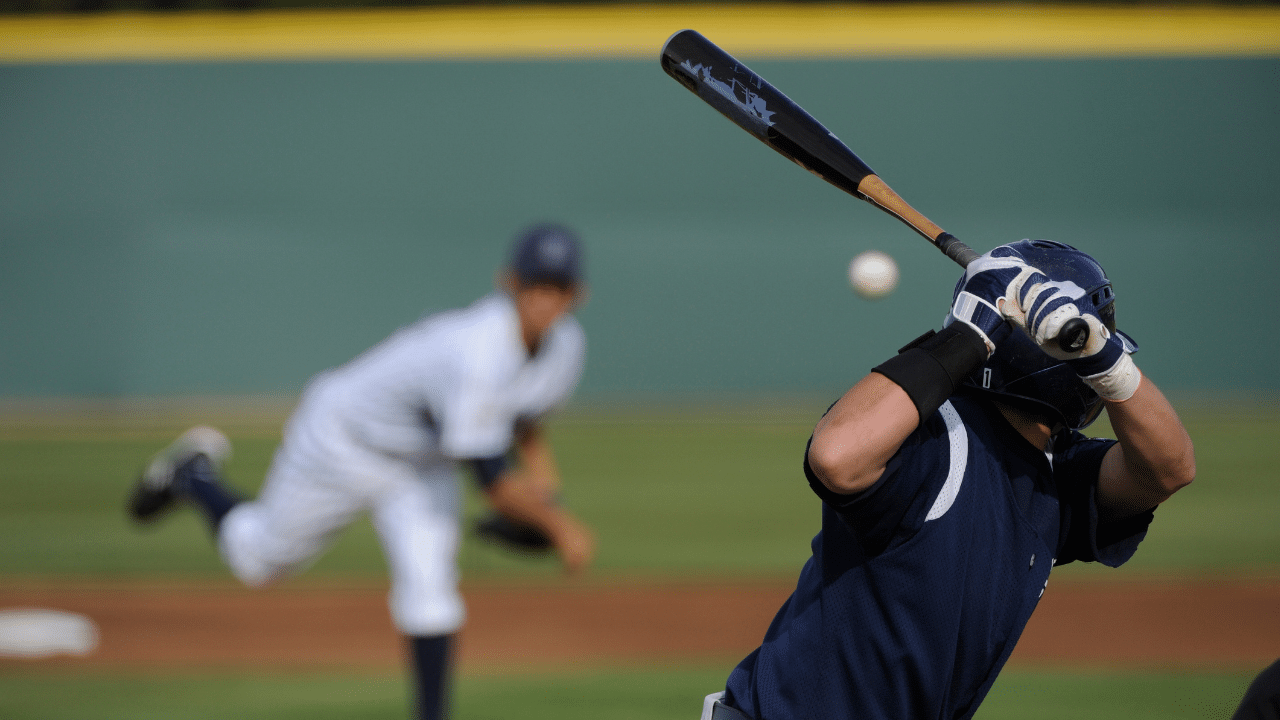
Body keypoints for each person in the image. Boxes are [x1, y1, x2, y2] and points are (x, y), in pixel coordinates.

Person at [701, 239, 1196, 720]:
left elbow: (1169, 470)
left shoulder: (1057, 477)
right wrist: (971, 331)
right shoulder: (936, 435)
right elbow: (835, 456)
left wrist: (1106, 361)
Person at [127, 223, 596, 720]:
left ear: (577, 295)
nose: (544, 299)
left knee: (431, 591)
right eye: (535, 285)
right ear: (509, 282)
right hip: (343, 441)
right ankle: (193, 477)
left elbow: (524, 420)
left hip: (422, 466)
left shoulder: (566, 347)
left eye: (558, 288)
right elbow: (493, 482)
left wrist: (546, 486)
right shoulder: (476, 350)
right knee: (258, 562)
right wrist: (560, 526)